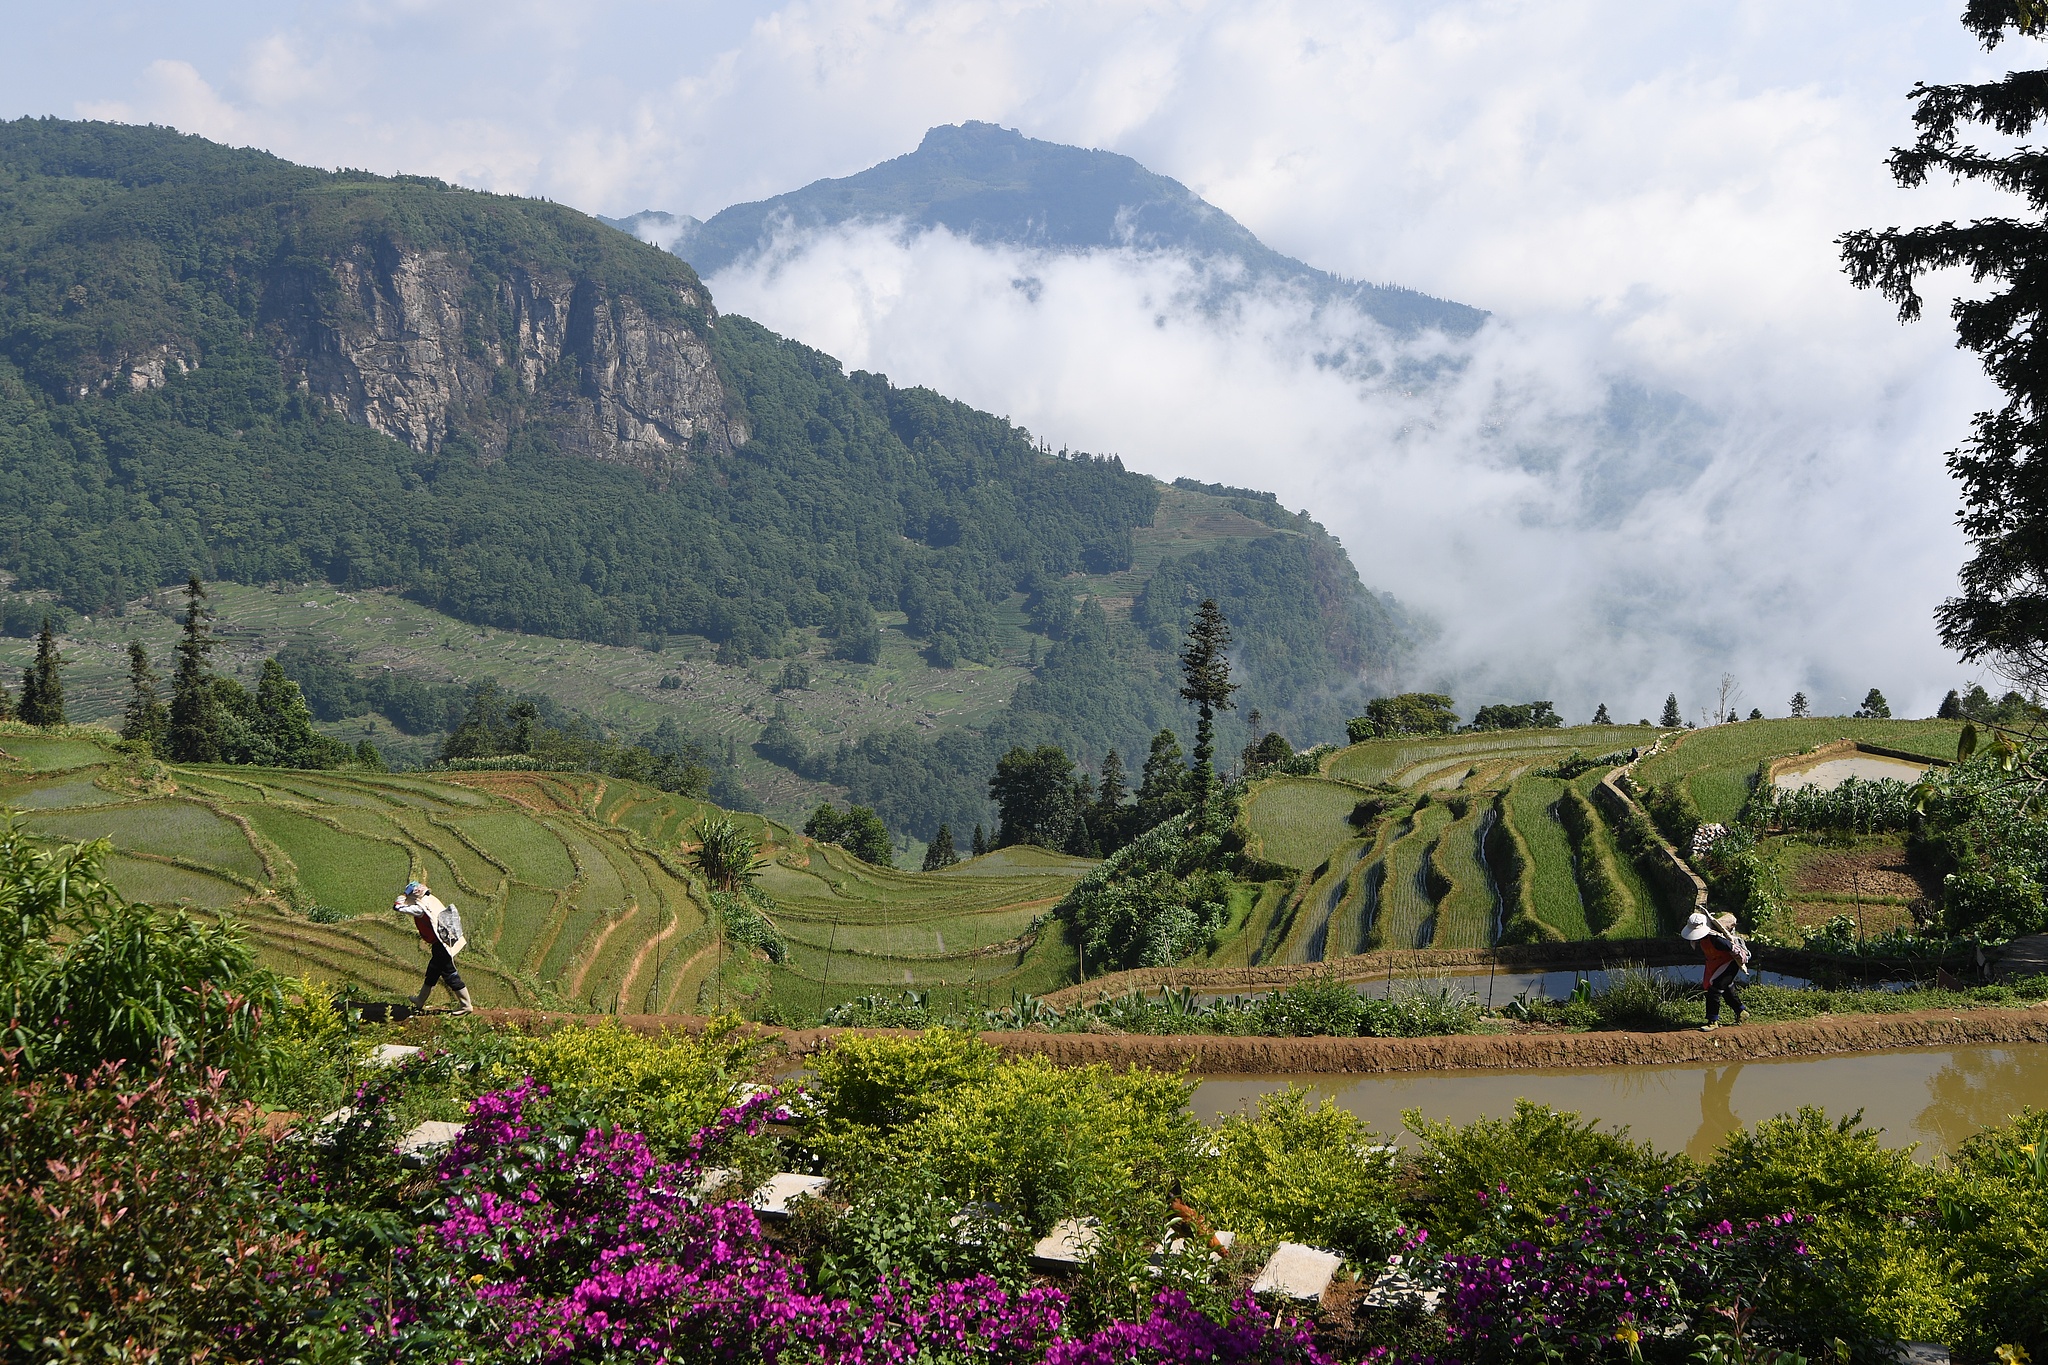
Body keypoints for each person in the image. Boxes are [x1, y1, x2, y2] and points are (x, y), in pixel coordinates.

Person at [396, 880, 472, 1014]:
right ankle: (420, 1001)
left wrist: (402, 897)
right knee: (432, 973)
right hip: (444, 942)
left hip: (441, 945)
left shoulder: (420, 908)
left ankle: (466, 1005)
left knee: (450, 975)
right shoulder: (431, 899)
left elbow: (398, 907)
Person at [1681, 909, 1748, 1032]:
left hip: (1729, 964)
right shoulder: (1703, 939)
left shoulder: (1716, 939)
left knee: (1715, 990)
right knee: (1726, 990)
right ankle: (1741, 1011)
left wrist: (1742, 958)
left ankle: (1712, 1021)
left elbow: (1733, 948)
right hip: (1716, 964)